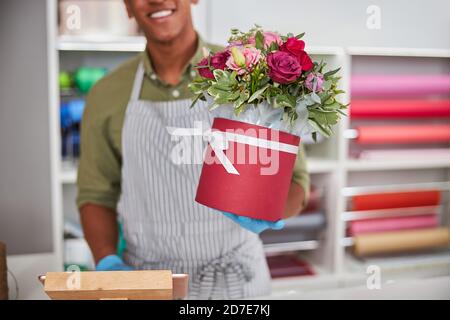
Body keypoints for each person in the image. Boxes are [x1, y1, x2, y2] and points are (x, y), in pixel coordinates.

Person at [77, 0, 310, 299]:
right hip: (149, 285)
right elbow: (96, 194)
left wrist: (273, 209)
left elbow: (297, 181)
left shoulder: (250, 76)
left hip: (237, 284)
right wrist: (107, 261)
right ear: (126, 6)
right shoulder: (107, 94)